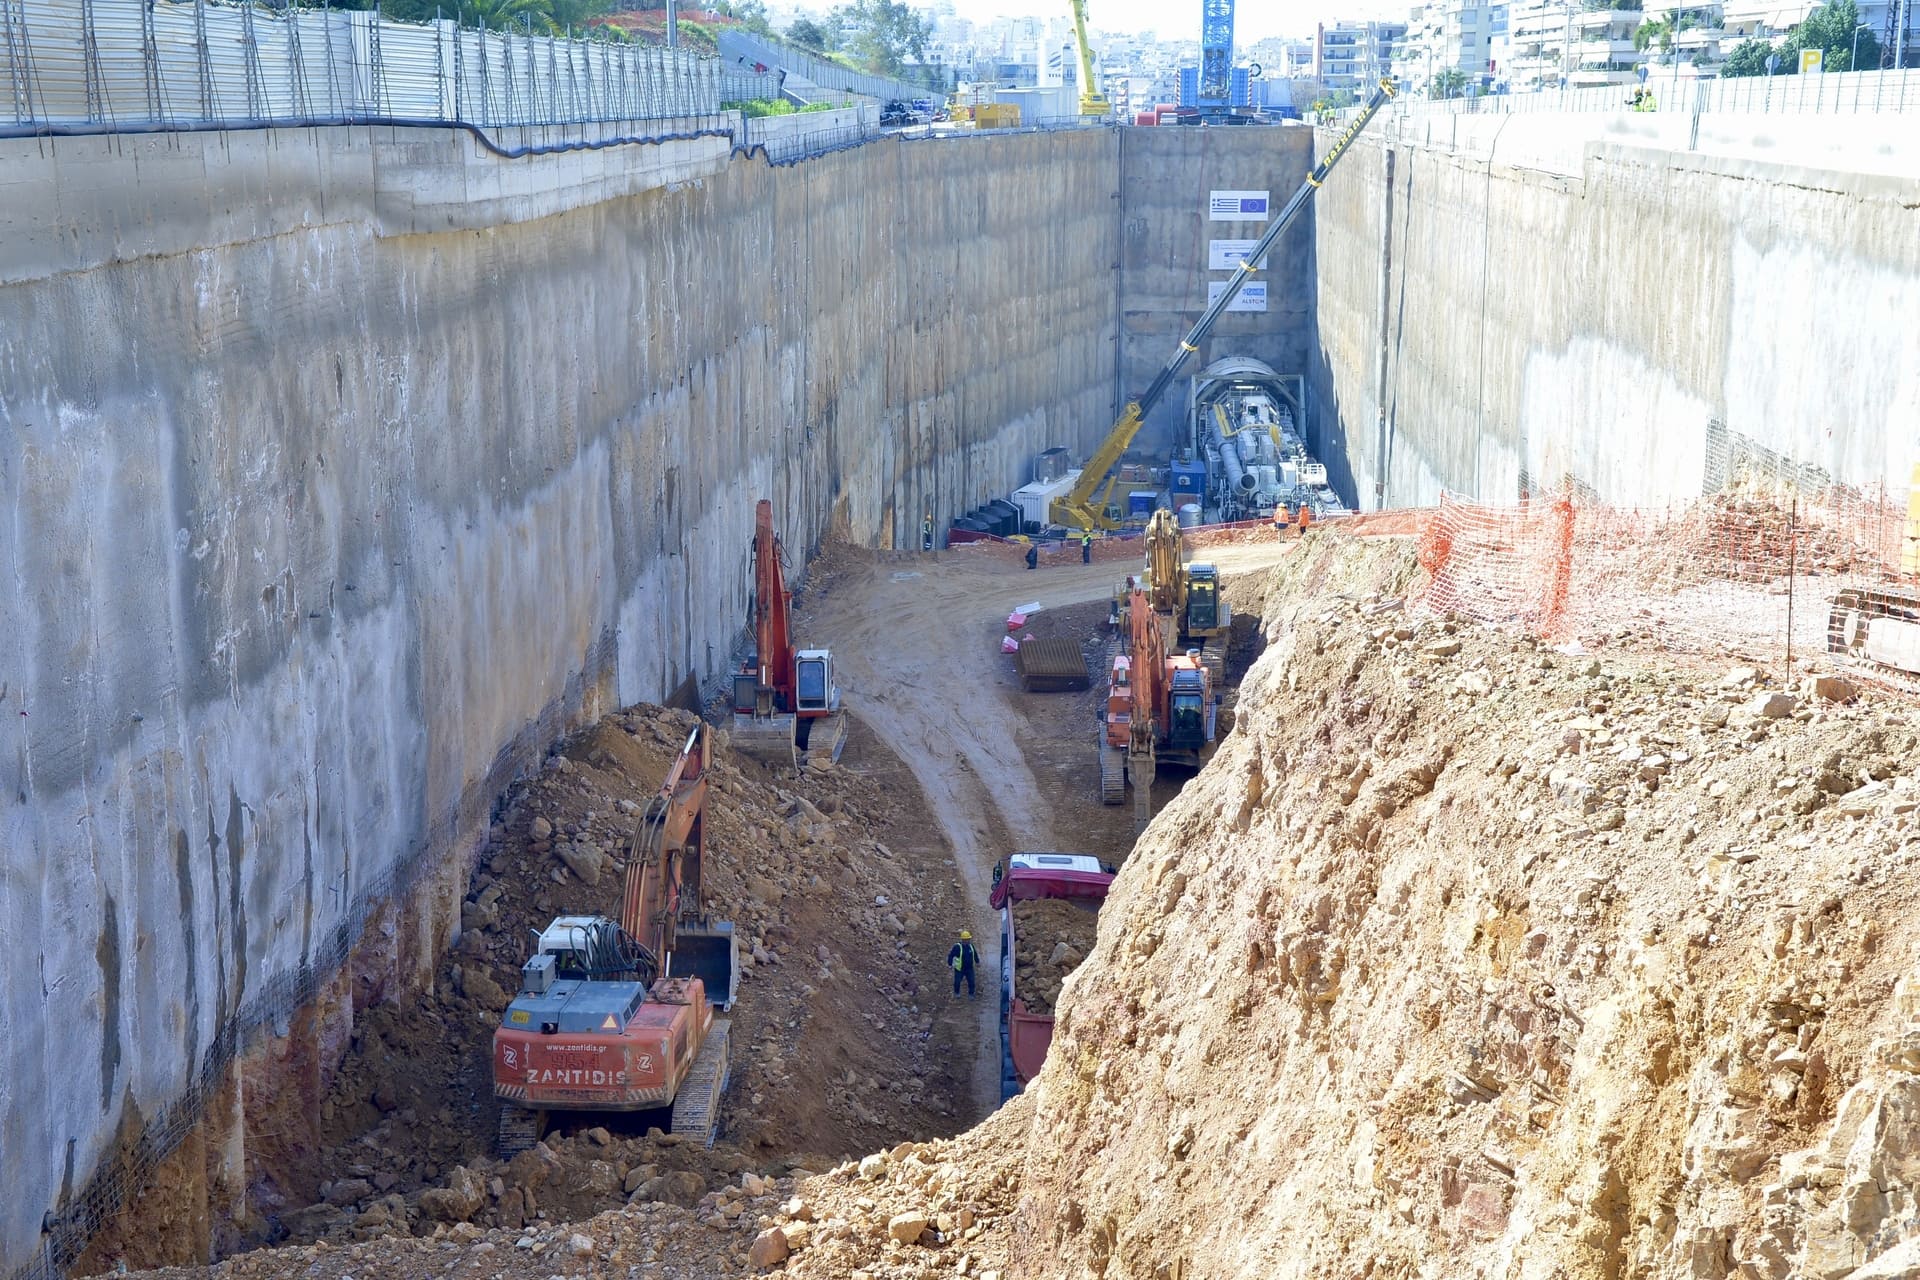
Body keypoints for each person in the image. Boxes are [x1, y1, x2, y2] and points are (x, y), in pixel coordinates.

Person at [948, 930, 980, 999]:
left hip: (969, 968)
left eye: (969, 939)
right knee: (957, 982)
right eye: (967, 939)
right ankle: (957, 993)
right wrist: (950, 964)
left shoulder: (971, 946)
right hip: (960, 969)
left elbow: (975, 954)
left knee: (971, 982)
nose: (968, 941)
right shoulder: (957, 947)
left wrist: (977, 962)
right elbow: (951, 955)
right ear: (963, 940)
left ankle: (971, 994)